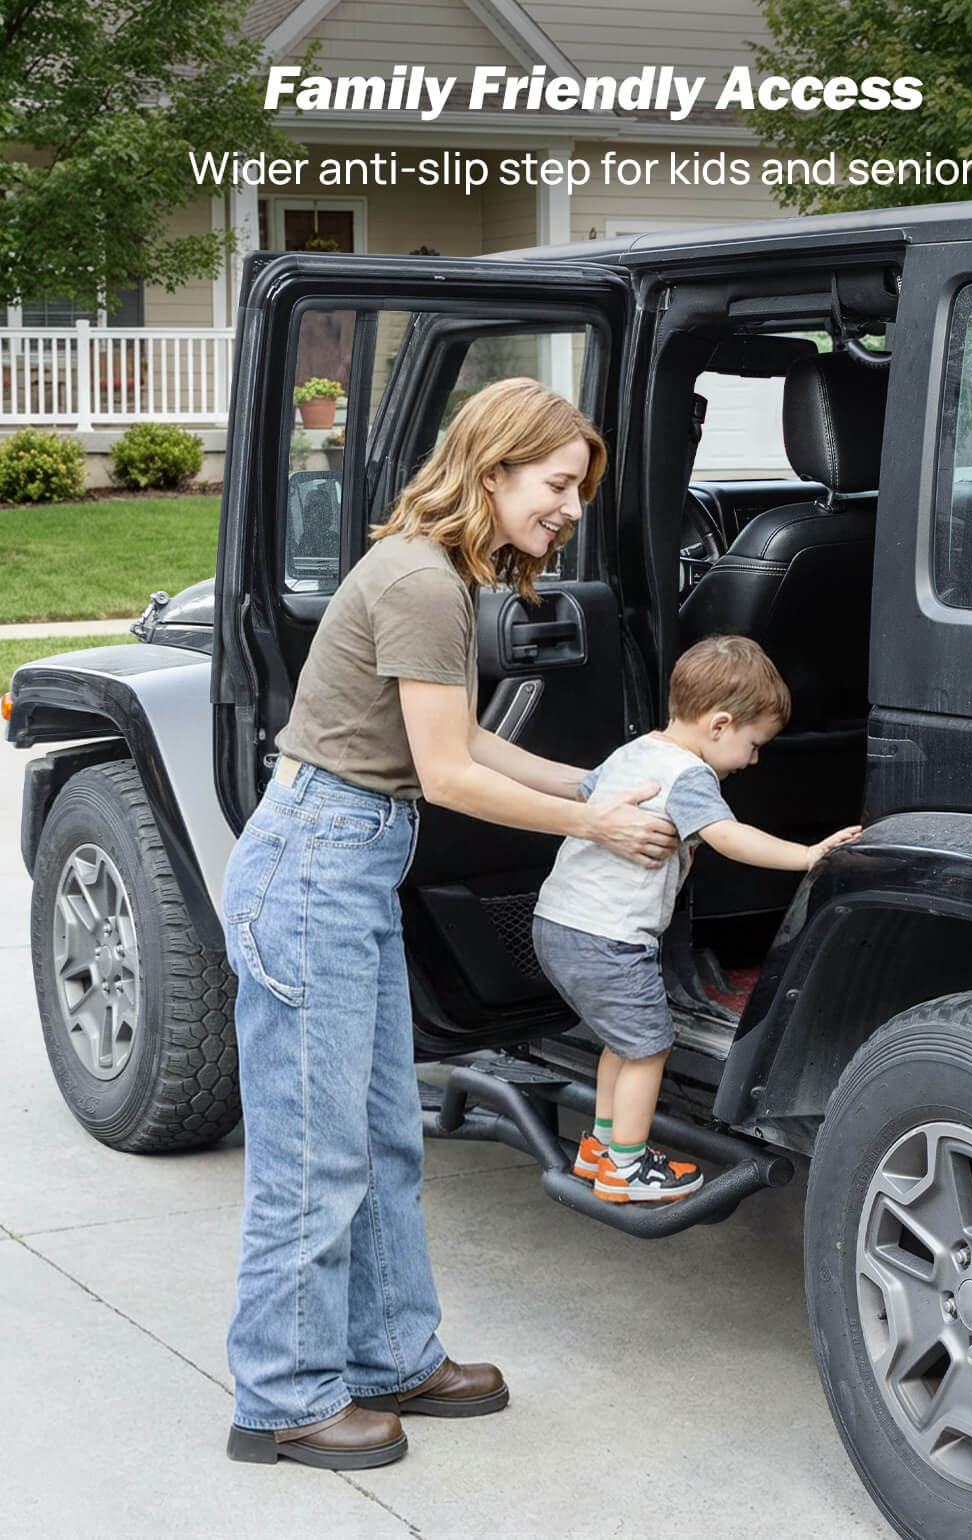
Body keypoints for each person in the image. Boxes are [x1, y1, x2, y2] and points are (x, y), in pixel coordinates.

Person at [221, 377, 677, 1470]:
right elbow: (450, 776)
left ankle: (389, 1355)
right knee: (314, 1151)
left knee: (381, 1136)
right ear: (493, 472)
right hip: (315, 865)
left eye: (577, 489)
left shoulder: (437, 575)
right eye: (557, 485)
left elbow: (467, 741)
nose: (568, 508)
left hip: (349, 860)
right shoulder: (422, 583)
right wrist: (599, 829)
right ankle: (282, 1396)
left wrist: (595, 783)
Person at [532, 634, 861, 1203]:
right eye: (754, 744)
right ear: (719, 724)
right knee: (649, 1048)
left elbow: (589, 794)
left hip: (557, 923)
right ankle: (628, 1169)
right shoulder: (690, 774)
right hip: (610, 938)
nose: (755, 760)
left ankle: (603, 1149)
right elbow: (728, 837)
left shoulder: (634, 752)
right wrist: (807, 856)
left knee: (623, 1041)